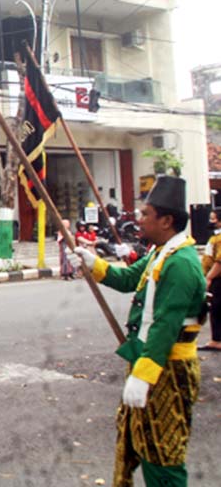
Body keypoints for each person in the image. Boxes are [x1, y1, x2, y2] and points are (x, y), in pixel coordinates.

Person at [70, 176, 205, 487]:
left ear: (167, 220)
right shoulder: (161, 252)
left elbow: (165, 326)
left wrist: (144, 375)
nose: (139, 220)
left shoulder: (182, 263)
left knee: (163, 455)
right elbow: (130, 277)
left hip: (168, 370)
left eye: (146, 214)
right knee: (144, 446)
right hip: (154, 363)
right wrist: (95, 264)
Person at [199, 208, 221, 351]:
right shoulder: (215, 237)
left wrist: (209, 277)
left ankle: (217, 340)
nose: (210, 221)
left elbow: (219, 262)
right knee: (215, 308)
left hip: (218, 279)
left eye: (213, 219)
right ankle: (216, 339)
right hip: (215, 277)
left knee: (218, 308)